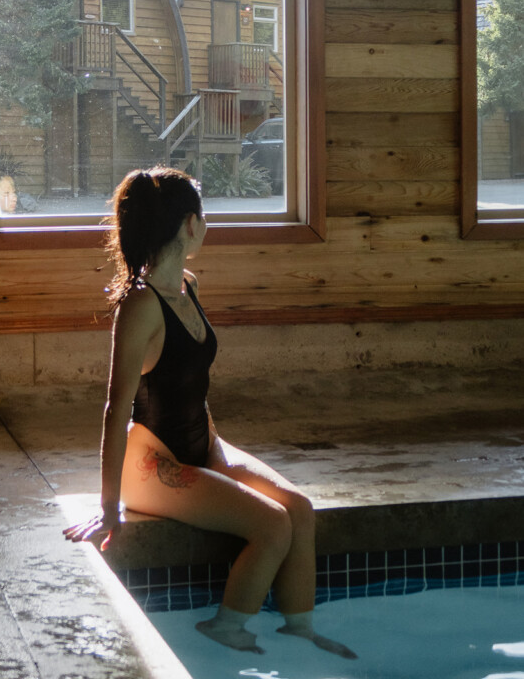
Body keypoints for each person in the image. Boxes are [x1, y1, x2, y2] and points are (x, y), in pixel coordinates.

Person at [64, 167, 355, 658]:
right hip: (153, 463)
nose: (207, 225)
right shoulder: (140, 306)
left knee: (299, 511)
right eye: (203, 216)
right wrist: (110, 505)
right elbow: (116, 409)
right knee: (272, 526)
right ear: (187, 224)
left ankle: (300, 631)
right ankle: (226, 627)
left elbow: (190, 380)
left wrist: (215, 451)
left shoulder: (187, 285)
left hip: (203, 442)